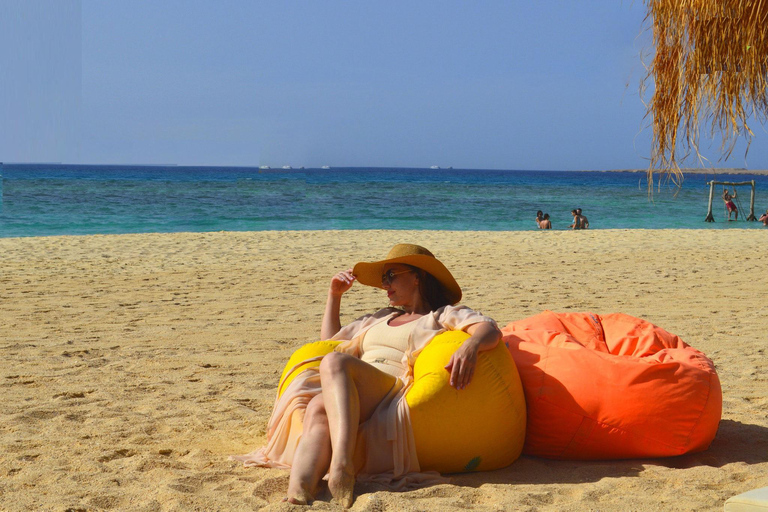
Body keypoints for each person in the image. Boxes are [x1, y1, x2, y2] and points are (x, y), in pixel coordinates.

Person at [233, 244, 501, 507]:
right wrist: (334, 295)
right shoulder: (380, 317)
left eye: (391, 276)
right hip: (350, 384)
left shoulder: (440, 315)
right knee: (317, 407)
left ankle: (342, 463)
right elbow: (330, 343)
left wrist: (472, 345)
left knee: (335, 364)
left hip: (392, 389)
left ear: (417, 277)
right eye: (384, 278)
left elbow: (489, 329)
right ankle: (299, 492)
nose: (385, 285)